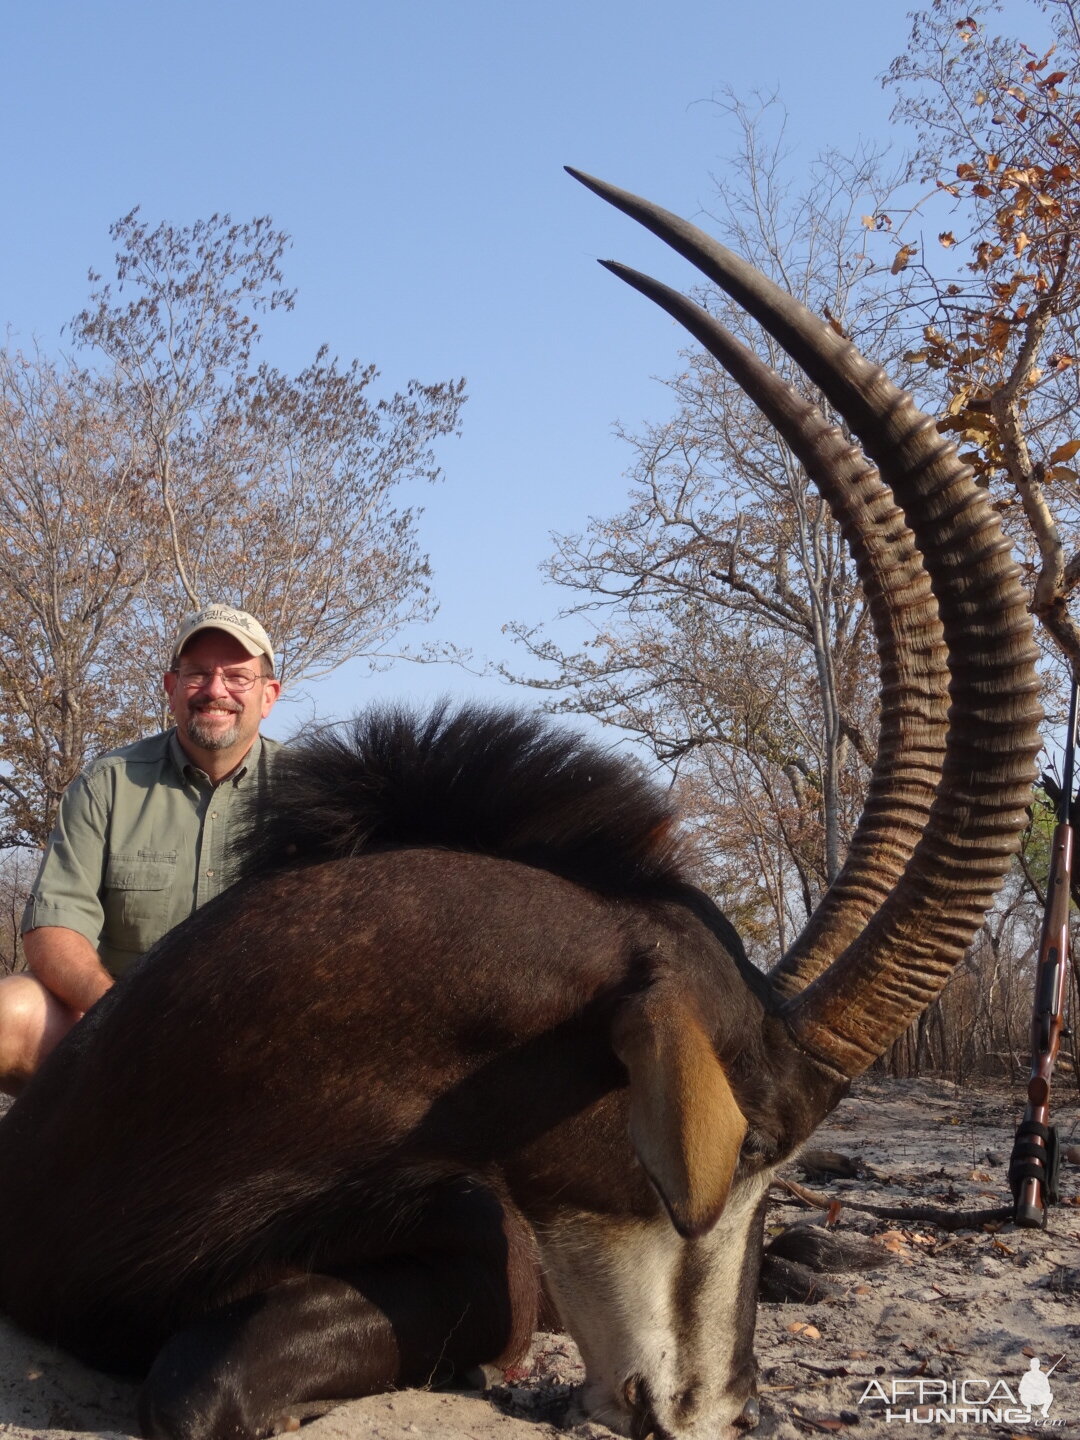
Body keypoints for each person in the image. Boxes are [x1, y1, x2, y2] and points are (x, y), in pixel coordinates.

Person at [0, 605, 283, 1094]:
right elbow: (55, 927)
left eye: (238, 677)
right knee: (11, 1012)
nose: (216, 690)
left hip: (261, 1046)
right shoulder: (106, 784)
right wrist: (123, 1017)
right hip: (122, 1035)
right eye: (198, 674)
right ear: (171, 687)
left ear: (268, 695)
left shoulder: (310, 792)